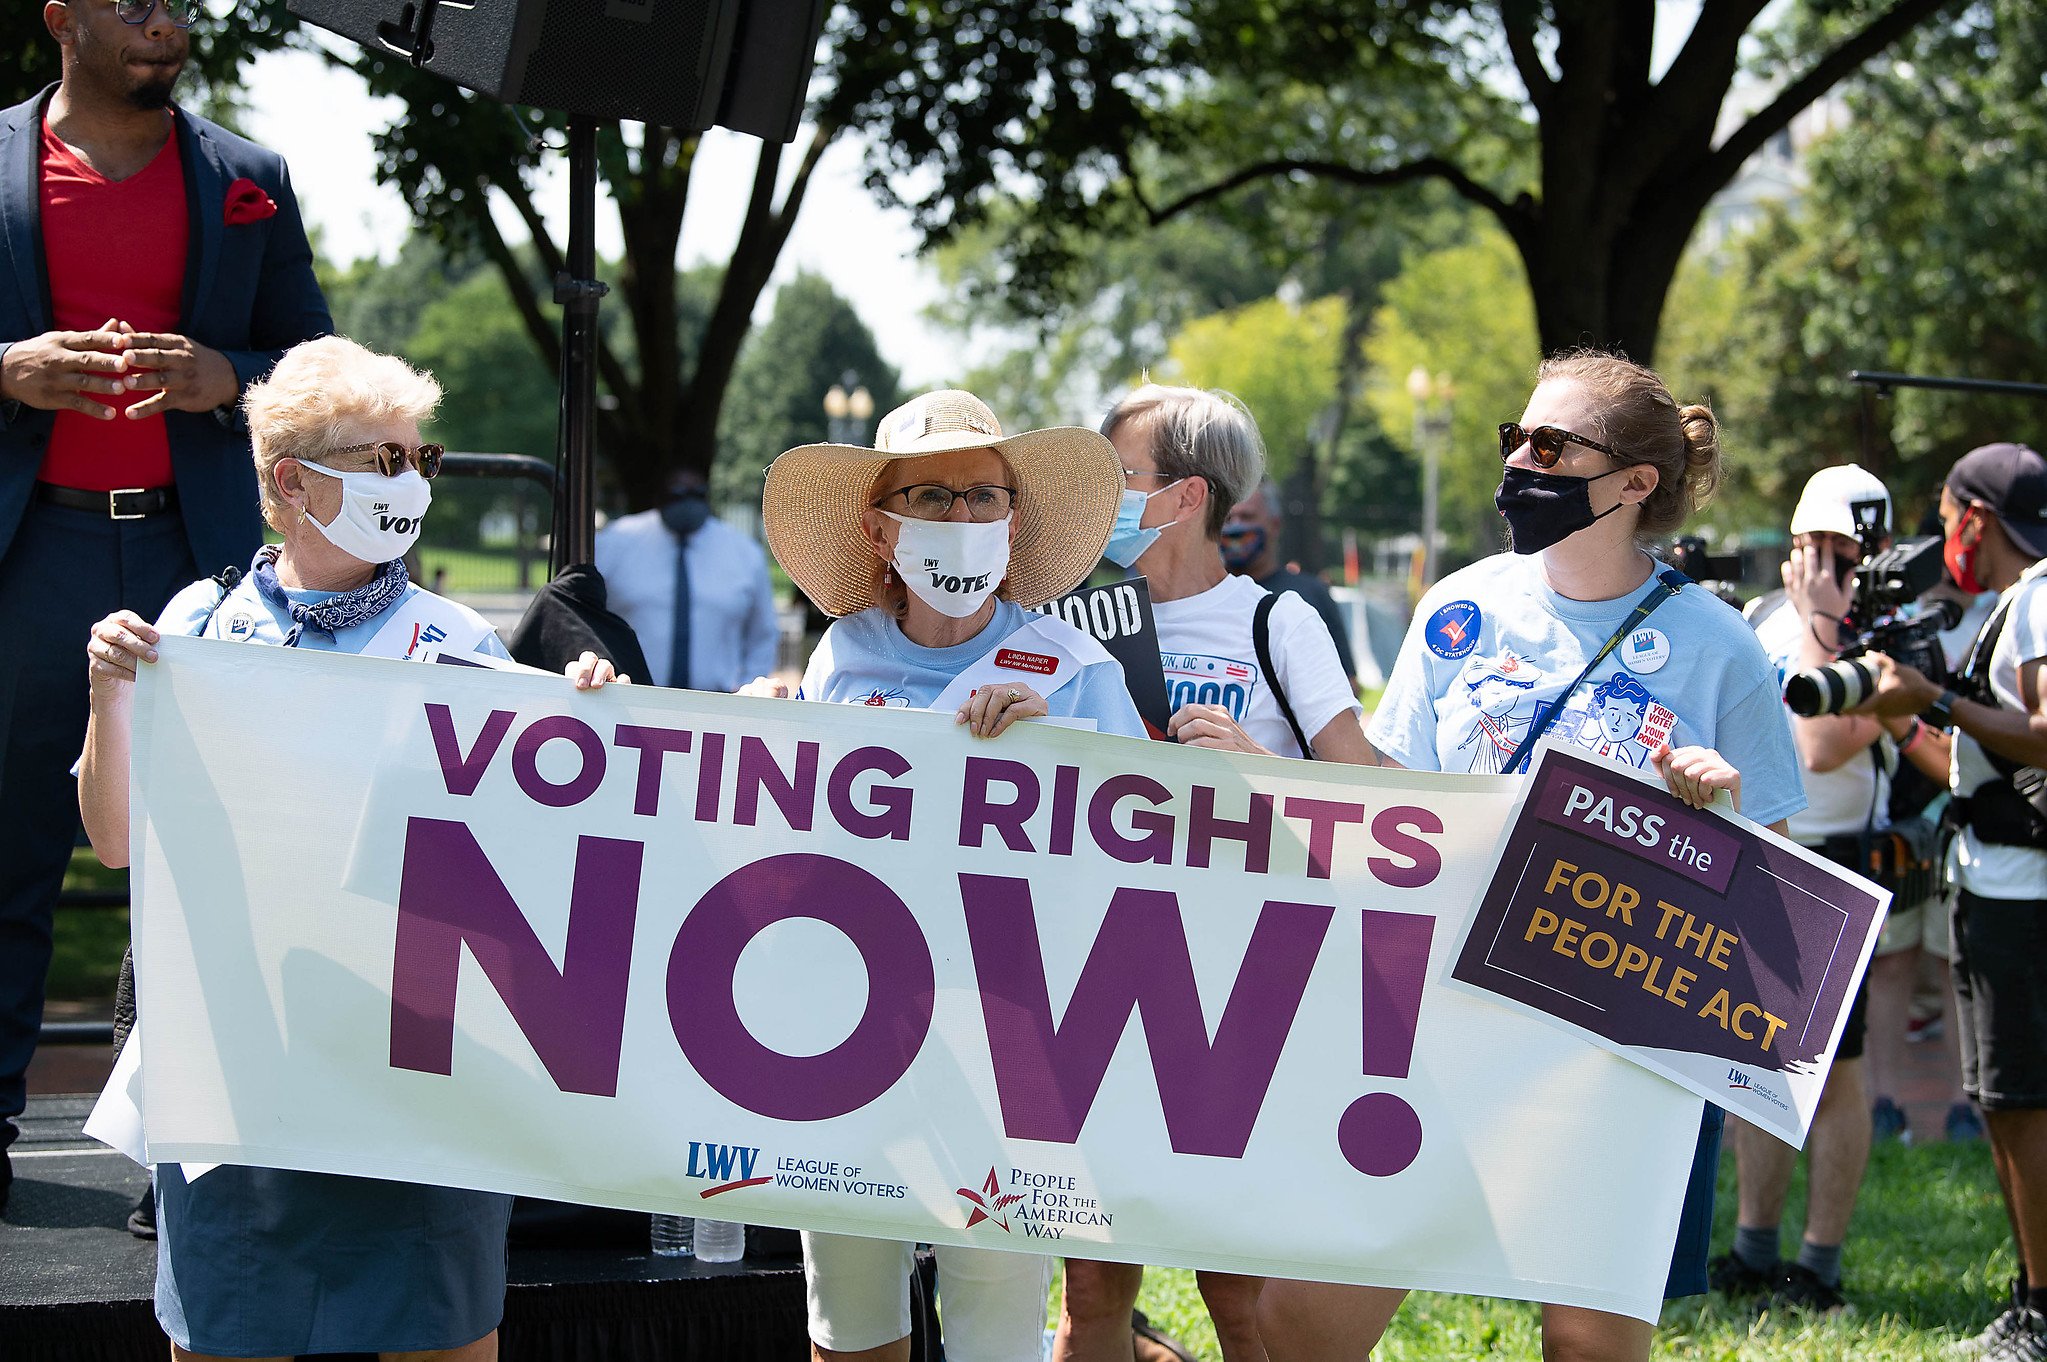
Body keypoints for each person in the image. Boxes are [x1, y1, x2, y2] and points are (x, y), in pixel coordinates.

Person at [1258, 351, 1805, 1362]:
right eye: (1514, 438)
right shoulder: (1456, 607)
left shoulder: (1720, 646)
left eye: (1549, 445)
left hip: (1611, 1045)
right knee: (1298, 1325)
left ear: (1635, 483)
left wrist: (1720, 812)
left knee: (1587, 1348)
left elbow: (1776, 894)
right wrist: (1268, 776)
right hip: (1432, 1008)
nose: (1518, 462)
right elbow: (1401, 808)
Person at [76, 336, 529, 1362]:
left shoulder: (466, 644)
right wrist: (109, 692)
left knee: (440, 1337)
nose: (410, 482)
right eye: (383, 460)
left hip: (416, 1069)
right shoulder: (194, 629)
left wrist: (584, 718)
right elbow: (112, 842)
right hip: (243, 1073)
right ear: (291, 480)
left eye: (421, 458)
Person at [0, 0, 329, 1210]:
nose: (165, 23)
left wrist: (223, 377)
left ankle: (184, 1153)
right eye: (134, 4)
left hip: (202, 566)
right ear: (62, 21)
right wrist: (7, 368)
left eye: (179, 5)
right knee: (10, 853)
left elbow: (312, 363)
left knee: (208, 862)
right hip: (30, 559)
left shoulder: (249, 177)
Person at [745, 388, 1146, 1362]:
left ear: (1014, 521)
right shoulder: (837, 659)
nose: (960, 520)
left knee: (995, 1327)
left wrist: (1061, 754)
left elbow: (1144, 855)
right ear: (882, 530)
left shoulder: (1076, 671)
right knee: (847, 1326)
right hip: (848, 1027)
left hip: (1013, 1038)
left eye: (982, 497)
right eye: (931, 496)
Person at [1054, 385, 1375, 1362]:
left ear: (1185, 496)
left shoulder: (1275, 624)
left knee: (1238, 1296)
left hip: (1237, 999)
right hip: (1096, 985)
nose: (1096, 497)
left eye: (1117, 477)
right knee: (1093, 1293)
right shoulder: (1069, 619)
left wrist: (1256, 766)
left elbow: (1367, 797)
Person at [1849, 441, 2047, 1362]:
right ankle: (2027, 1298)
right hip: (1989, 880)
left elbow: (2044, 737)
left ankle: (2042, 1315)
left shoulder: (2041, 592)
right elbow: (1978, 770)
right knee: (2002, 1100)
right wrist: (1906, 717)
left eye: (1941, 514)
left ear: (1974, 517)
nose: (1938, 534)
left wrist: (1939, 697)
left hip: (2024, 894)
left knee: (2022, 1099)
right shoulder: (2009, 604)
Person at [1708, 464, 1897, 1312]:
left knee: (1835, 1072)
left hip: (1840, 859)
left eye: (1838, 552)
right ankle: (1753, 1246)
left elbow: (1822, 747)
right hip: (1760, 850)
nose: (1817, 566)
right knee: (1757, 1061)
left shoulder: (1887, 633)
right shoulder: (1762, 619)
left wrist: (1825, 622)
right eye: (1804, 548)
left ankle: (1817, 1264)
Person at [594, 469, 780, 690]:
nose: (687, 503)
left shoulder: (745, 553)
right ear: (660, 496)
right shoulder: (614, 543)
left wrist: (745, 692)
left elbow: (762, 634)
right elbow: (589, 616)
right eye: (678, 494)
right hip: (630, 702)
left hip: (717, 707)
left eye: (697, 494)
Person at [1221, 477, 1358, 690]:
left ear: (1275, 525)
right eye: (1228, 519)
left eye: (1247, 516)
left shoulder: (1311, 594)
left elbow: (1348, 685)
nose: (1236, 527)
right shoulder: (1201, 594)